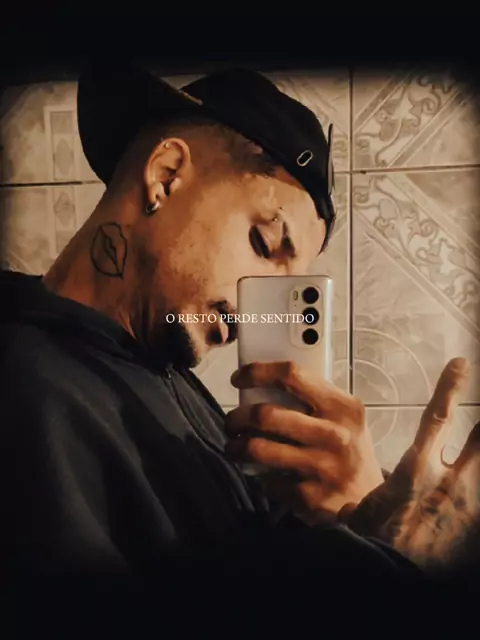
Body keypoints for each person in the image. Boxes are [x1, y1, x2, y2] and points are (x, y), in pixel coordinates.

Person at [1, 62, 479, 613]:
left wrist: (358, 521)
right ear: (166, 175)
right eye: (265, 243)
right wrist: (398, 573)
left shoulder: (159, 371)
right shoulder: (26, 392)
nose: (257, 311)